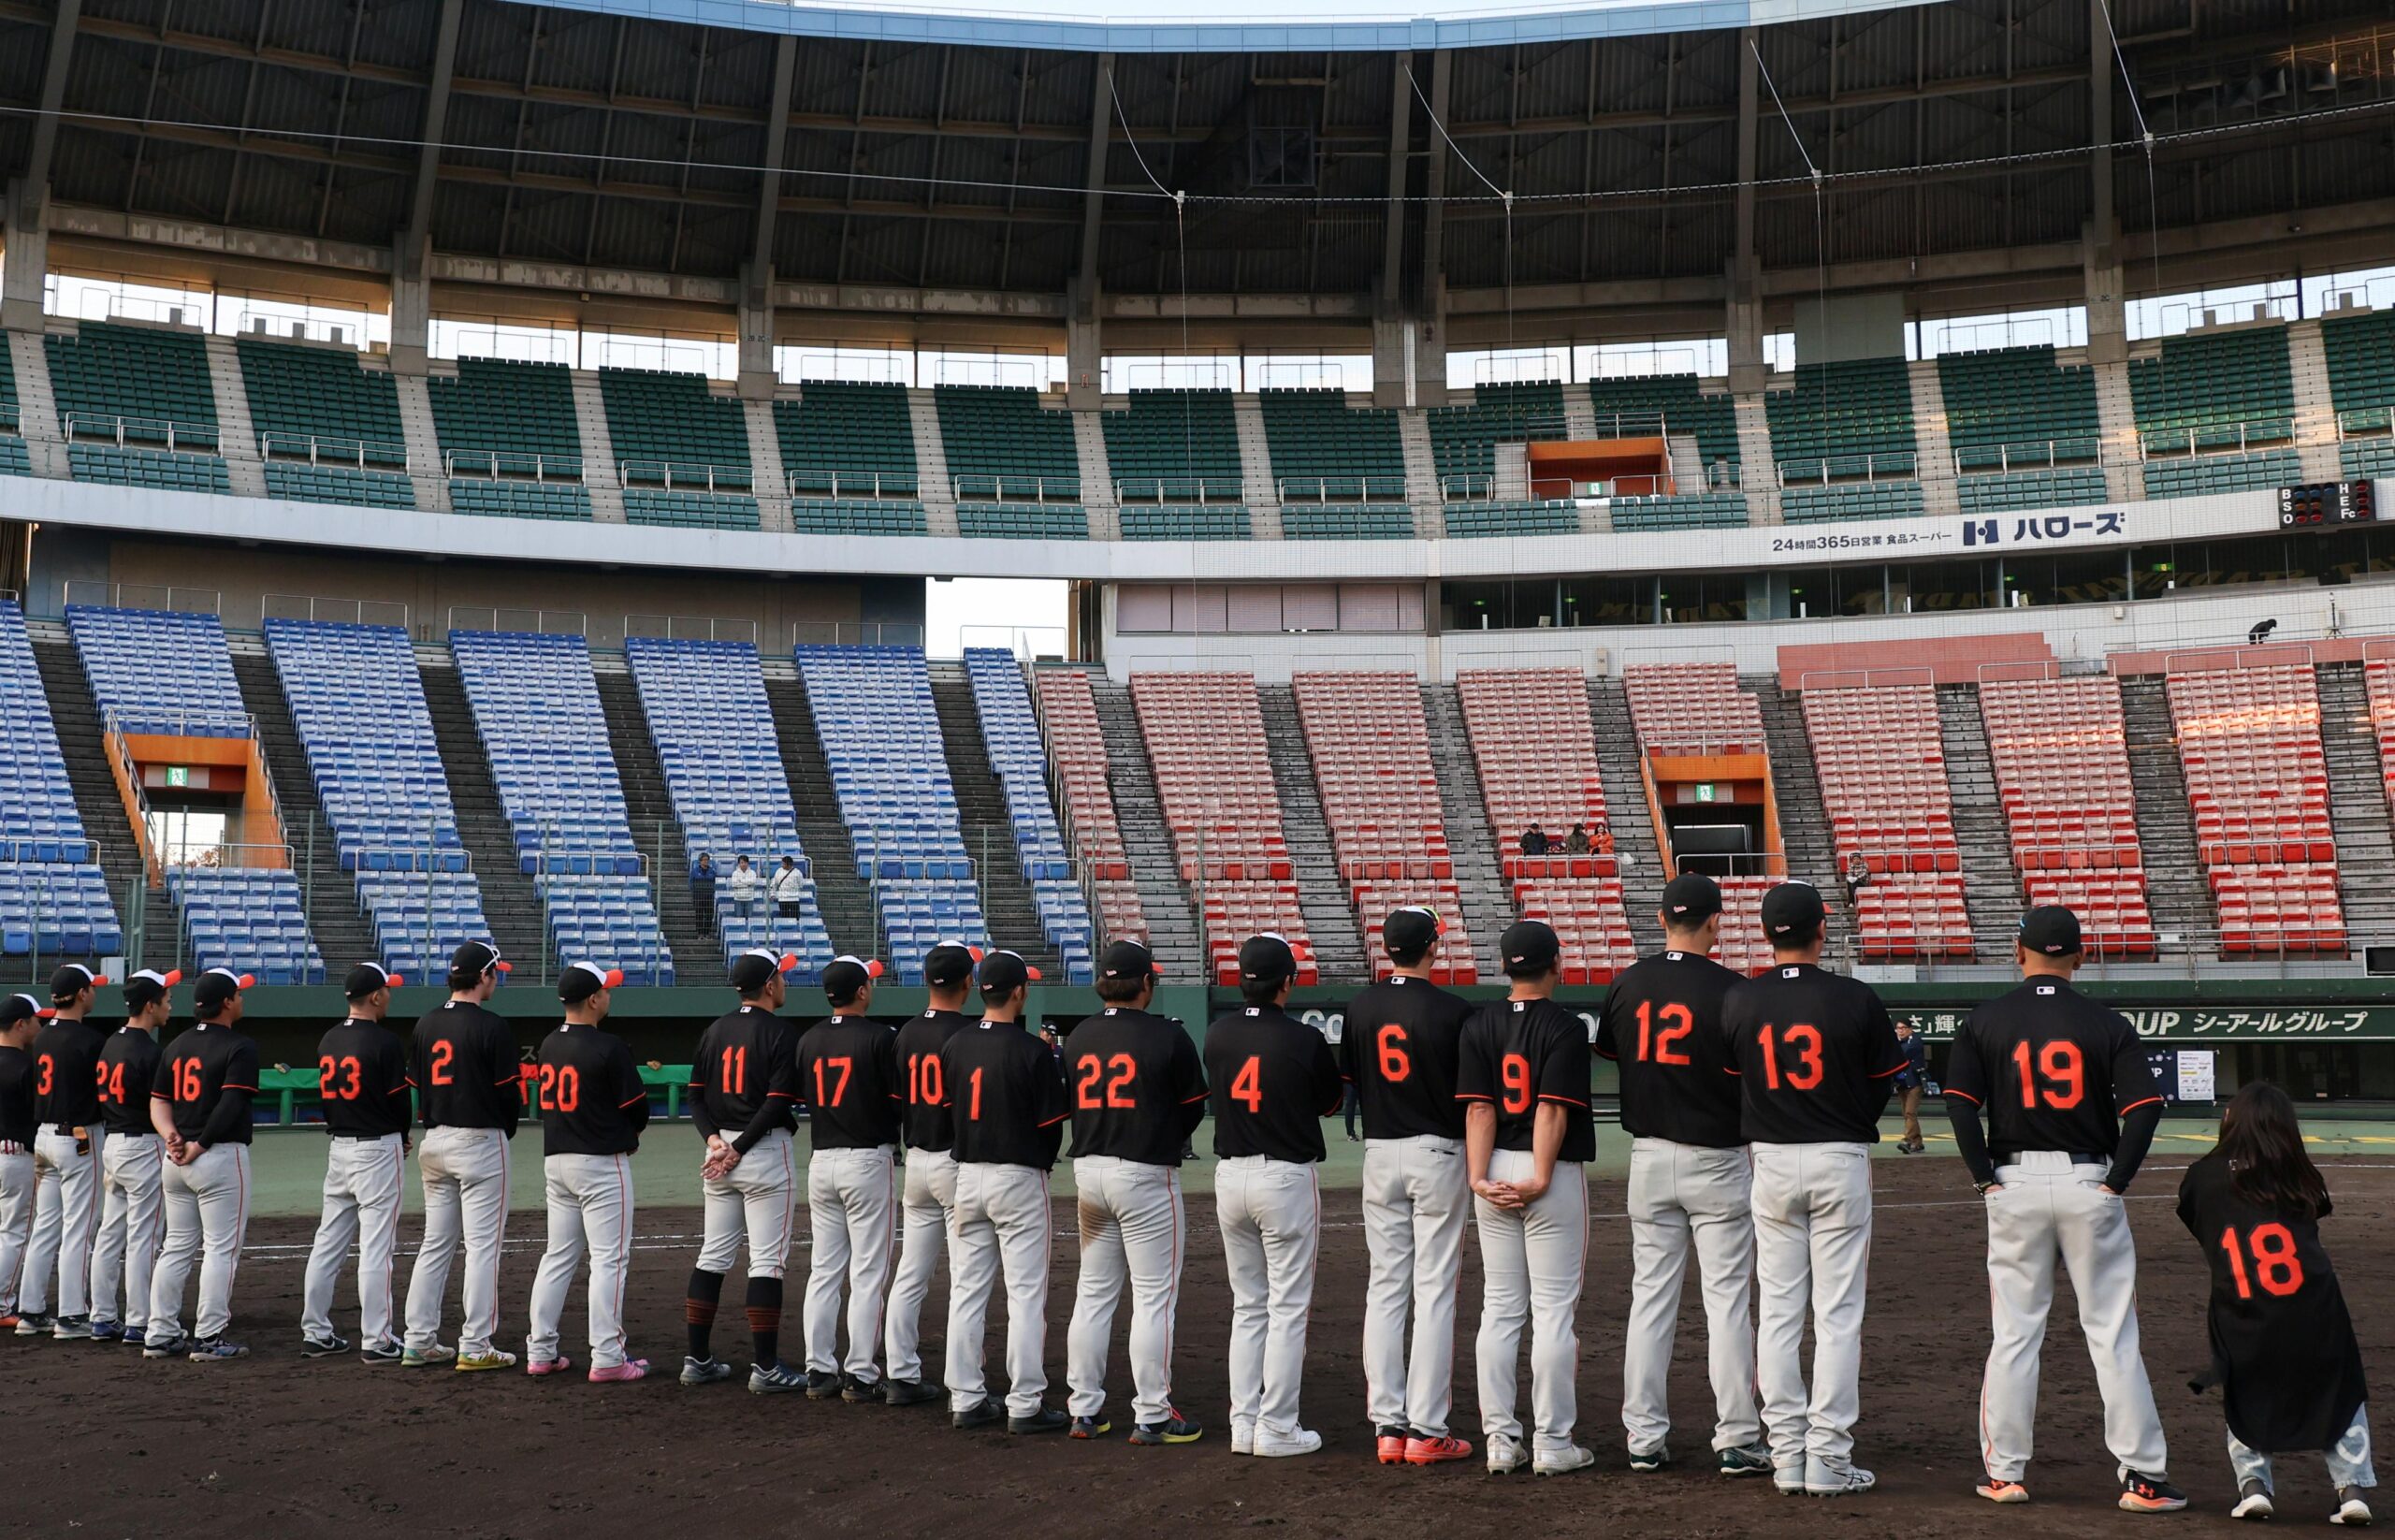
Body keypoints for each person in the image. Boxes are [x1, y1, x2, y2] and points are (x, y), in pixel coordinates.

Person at [1946, 905, 2181, 1513]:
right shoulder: (2107, 1022)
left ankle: (2005, 1474)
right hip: (2087, 1180)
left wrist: (1984, 1179)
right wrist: (2117, 1182)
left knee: (2015, 1334)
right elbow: (2146, 1108)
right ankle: (2144, 1478)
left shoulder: (1986, 1019)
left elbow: (1960, 1103)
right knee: (2113, 1333)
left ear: (2018, 951)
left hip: (2014, 1182)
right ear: (2079, 956)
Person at [1720, 881, 1902, 1496]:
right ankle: (1828, 1457)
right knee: (1837, 1315)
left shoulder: (1741, 998)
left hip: (1770, 1158)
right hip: (1838, 1156)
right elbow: (1883, 1082)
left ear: (1766, 933)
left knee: (1777, 1312)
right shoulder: (1854, 996)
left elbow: (1736, 1078)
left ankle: (1788, 1455)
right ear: (1821, 930)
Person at [1596, 874, 1769, 1477]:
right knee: (1727, 1304)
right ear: (1715, 921)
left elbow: (1613, 1052)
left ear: (1662, 919)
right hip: (1717, 1159)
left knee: (1650, 1301)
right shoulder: (1733, 989)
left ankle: (1643, 1438)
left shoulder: (1627, 982)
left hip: (1648, 1156)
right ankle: (1738, 1437)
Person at [2179, 1082, 2373, 1526]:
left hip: (2243, 1307)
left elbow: (2197, 1218)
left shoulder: (2203, 1177)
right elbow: (2316, 1210)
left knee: (2246, 1393)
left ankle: (2253, 1487)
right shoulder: (2299, 1174)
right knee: (2340, 1391)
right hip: (2315, 1306)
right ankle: (2353, 1490)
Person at [1340, 906, 1476, 1468]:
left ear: (1386, 948)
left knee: (1386, 1287)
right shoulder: (1455, 1010)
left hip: (1380, 1151)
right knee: (1434, 1289)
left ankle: (1388, 1425)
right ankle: (1426, 1428)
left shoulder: (1360, 1006)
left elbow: (1350, 1082)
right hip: (1436, 1151)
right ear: (1433, 947)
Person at [1461, 919, 1596, 1477]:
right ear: (1556, 964)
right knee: (1553, 1313)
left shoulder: (1479, 1023)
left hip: (1493, 1169)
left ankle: (1499, 1440)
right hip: (1548, 1172)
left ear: (1503, 966)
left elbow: (1479, 1109)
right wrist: (1540, 1175)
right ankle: (1553, 1442)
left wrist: (1477, 1177)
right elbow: (1551, 1108)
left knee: (1499, 1309)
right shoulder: (1565, 1026)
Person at [1062, 937, 1208, 1445]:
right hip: (1145, 1173)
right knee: (1153, 1299)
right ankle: (1152, 1414)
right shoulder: (1168, 1035)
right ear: (1146, 982)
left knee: (1093, 1294)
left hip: (1089, 1171)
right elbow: (1192, 1109)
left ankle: (1084, 1410)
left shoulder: (1078, 1035)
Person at [1206, 934, 1343, 1459]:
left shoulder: (1218, 1033)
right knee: (1287, 1308)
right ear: (1288, 982)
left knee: (1248, 1307)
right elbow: (1330, 1103)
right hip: (1284, 1177)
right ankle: (1278, 1426)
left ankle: (1244, 1424)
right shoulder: (1303, 1038)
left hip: (1230, 1176)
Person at [938, 948, 1068, 1432]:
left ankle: (965, 1398)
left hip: (967, 1175)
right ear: (1019, 992)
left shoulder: (956, 1043)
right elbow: (1052, 1127)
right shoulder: (1034, 1050)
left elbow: (948, 1111)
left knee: (966, 1293)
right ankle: (1025, 1403)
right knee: (1025, 1296)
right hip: (1018, 1177)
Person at [683, 948, 805, 1394]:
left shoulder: (715, 1029)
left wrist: (714, 1141)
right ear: (769, 985)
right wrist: (737, 1148)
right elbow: (777, 1102)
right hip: (761, 1150)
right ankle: (767, 1368)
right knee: (767, 1262)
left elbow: (695, 1096)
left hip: (719, 1154)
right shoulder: (781, 1032)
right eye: (782, 977)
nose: (784, 983)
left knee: (712, 1256)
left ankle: (697, 1359)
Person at [525, 962, 649, 1383]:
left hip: (557, 1160)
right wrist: (629, 1134)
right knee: (609, 1260)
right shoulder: (608, 1046)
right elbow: (637, 1109)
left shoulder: (548, 1043)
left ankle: (540, 1351)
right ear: (594, 999)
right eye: (606, 990)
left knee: (557, 1257)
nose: (610, 996)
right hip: (599, 1163)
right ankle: (609, 1357)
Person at [402, 940, 521, 1372]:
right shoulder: (492, 1026)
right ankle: (475, 1344)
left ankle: (418, 1340)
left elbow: (415, 1086)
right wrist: (503, 1131)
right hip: (479, 1141)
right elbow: (509, 1095)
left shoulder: (427, 1021)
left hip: (434, 1140)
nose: (497, 980)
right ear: (483, 976)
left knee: (435, 1245)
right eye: (495, 973)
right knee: (482, 1248)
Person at [796, 952, 904, 1402]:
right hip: (866, 1160)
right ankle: (860, 1372)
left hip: (822, 1160)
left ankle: (818, 1369)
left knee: (824, 1270)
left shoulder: (808, 1039)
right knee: (868, 1272)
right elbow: (898, 1101)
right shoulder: (881, 1038)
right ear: (861, 991)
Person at [299, 964, 413, 1363]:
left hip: (340, 1148)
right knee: (377, 1249)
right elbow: (400, 1099)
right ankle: (377, 1339)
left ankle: (315, 1331)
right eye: (387, 990)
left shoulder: (329, 1037)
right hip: (377, 1148)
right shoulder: (385, 1041)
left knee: (327, 1244)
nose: (390, 995)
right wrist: (403, 1133)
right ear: (376, 996)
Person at [146, 966, 259, 1360]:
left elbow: (158, 1101)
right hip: (217, 1156)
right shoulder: (240, 1046)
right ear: (226, 1002)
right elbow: (231, 1104)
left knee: (176, 1246)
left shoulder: (176, 1044)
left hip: (175, 1160)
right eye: (238, 994)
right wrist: (199, 1145)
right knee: (220, 1250)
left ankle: (159, 1333)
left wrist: (171, 1137)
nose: (241, 1000)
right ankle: (209, 1336)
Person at [883, 940, 979, 1407]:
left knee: (910, 1274)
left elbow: (896, 1101)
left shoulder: (905, 1032)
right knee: (965, 1279)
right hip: (955, 1163)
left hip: (916, 1159)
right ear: (969, 982)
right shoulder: (969, 1034)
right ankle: (965, 1387)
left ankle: (900, 1374)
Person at [22, 962, 108, 1338]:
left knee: (45, 1227)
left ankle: (30, 1311)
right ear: (82, 994)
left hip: (43, 1136)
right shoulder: (91, 1040)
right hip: (77, 1139)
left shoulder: (41, 1036)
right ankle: (72, 1315)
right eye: (92, 987)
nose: (95, 993)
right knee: (79, 1229)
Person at [89, 968, 174, 1346]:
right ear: (150, 1005)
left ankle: (102, 1316)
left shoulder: (110, 1042)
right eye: (166, 1000)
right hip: (143, 1146)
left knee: (110, 1234)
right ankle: (140, 1321)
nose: (170, 1005)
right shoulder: (150, 1052)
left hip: (113, 1144)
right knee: (144, 1236)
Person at [0, 993, 43, 1329]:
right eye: (36, 1020)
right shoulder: (27, 1066)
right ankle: (2, 1305)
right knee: (14, 1232)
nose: (40, 1026)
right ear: (20, 1024)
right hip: (14, 1155)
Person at [1893, 1020, 1928, 1154]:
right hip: (1901, 1084)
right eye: (1898, 1028)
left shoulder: (1915, 1040)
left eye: (1903, 1028)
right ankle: (1917, 1143)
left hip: (1914, 1083)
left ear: (1910, 1029)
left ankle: (1908, 1140)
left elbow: (1904, 1052)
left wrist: (1891, 1049)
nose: (1900, 1031)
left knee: (1910, 1112)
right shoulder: (1897, 1042)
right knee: (1907, 1114)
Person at [728, 855, 762, 919]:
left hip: (749, 898)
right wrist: (747, 884)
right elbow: (734, 884)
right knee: (738, 918)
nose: (743, 864)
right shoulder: (735, 873)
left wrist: (740, 881)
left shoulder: (752, 873)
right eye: (742, 862)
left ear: (748, 863)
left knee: (749, 918)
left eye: (745, 862)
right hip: (738, 898)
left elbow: (753, 882)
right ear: (739, 864)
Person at [770, 856, 804, 921]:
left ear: (789, 864)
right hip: (783, 899)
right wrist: (772, 894)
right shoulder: (779, 871)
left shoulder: (797, 872)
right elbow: (774, 883)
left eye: (784, 864)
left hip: (794, 899)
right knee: (784, 917)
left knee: (795, 918)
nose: (782, 865)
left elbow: (801, 884)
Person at [692, 854, 718, 938]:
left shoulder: (712, 871)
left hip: (709, 896)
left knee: (709, 915)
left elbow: (714, 882)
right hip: (698, 896)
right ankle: (700, 933)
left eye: (707, 860)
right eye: (704, 860)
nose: (706, 861)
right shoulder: (695, 871)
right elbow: (691, 882)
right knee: (699, 915)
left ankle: (707, 933)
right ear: (700, 861)